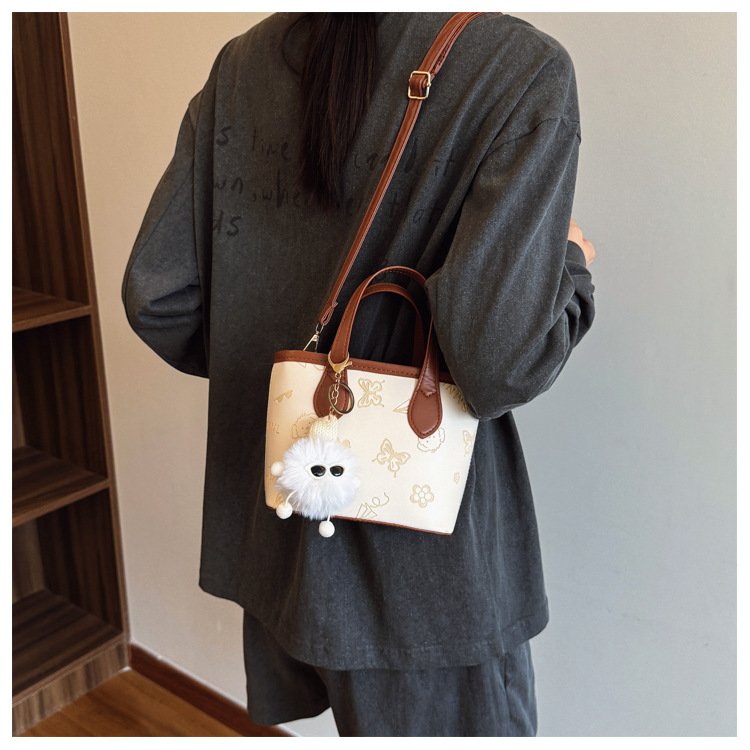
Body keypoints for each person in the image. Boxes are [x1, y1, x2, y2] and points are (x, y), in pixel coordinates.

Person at [123, 12, 596, 737]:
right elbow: (500, 363)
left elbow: (159, 296)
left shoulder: (244, 64)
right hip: (426, 583)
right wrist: (570, 264)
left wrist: (289, 383)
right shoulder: (518, 69)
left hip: (285, 528)